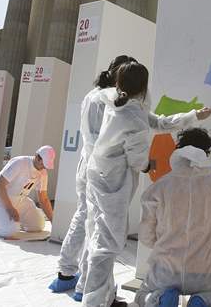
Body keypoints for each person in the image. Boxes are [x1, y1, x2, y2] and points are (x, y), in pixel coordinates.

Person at [82, 61, 211, 307]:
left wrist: (194, 116)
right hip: (112, 181)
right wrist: (146, 165)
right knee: (107, 243)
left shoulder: (115, 101)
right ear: (143, 87)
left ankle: (102, 297)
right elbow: (137, 157)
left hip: (97, 174)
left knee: (100, 236)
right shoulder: (134, 117)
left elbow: (160, 122)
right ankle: (94, 301)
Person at [135, 128, 211, 307]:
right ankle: (201, 301)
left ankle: (162, 298)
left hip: (166, 268)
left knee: (143, 294)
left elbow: (145, 235)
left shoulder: (160, 186)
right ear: (206, 153)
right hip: (205, 270)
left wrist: (162, 244)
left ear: (178, 150)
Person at [49, 55, 131, 296]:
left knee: (84, 215)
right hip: (102, 166)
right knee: (98, 225)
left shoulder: (92, 94)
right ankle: (86, 285)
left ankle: (66, 272)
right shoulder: (109, 99)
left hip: (87, 163)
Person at [0, 145, 56, 238]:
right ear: (37, 157)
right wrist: (10, 209)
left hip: (20, 201)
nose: (43, 168)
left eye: (46, 166)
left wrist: (54, 222)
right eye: (42, 164)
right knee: (9, 232)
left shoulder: (43, 172)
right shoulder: (20, 163)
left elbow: (43, 199)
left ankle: (12, 223)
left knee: (37, 226)